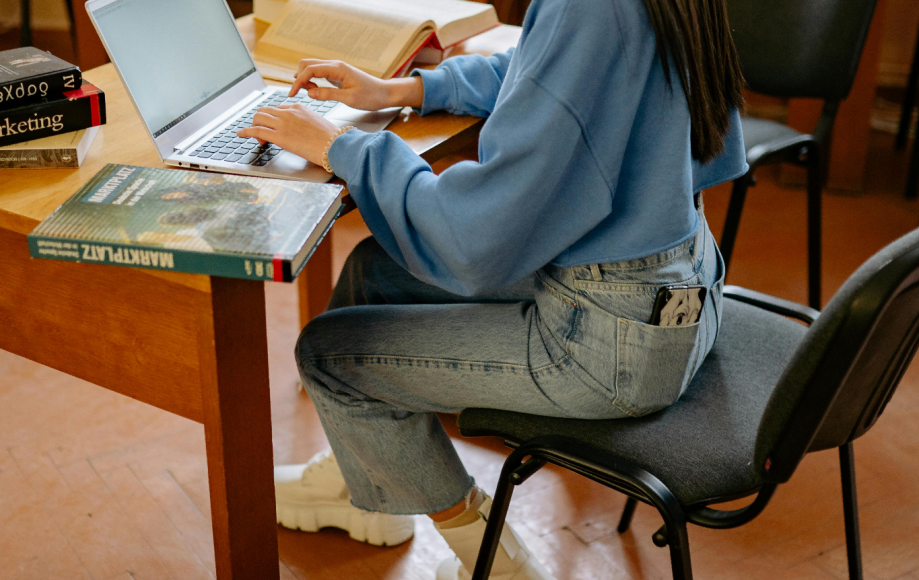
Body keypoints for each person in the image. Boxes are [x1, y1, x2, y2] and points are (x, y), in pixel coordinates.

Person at [239, 0, 747, 578]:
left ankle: (500, 565)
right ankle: (373, 476)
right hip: (677, 287)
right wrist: (402, 91)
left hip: (613, 344)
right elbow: (546, 74)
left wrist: (341, 147)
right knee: (373, 273)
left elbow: (475, 236)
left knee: (327, 358)